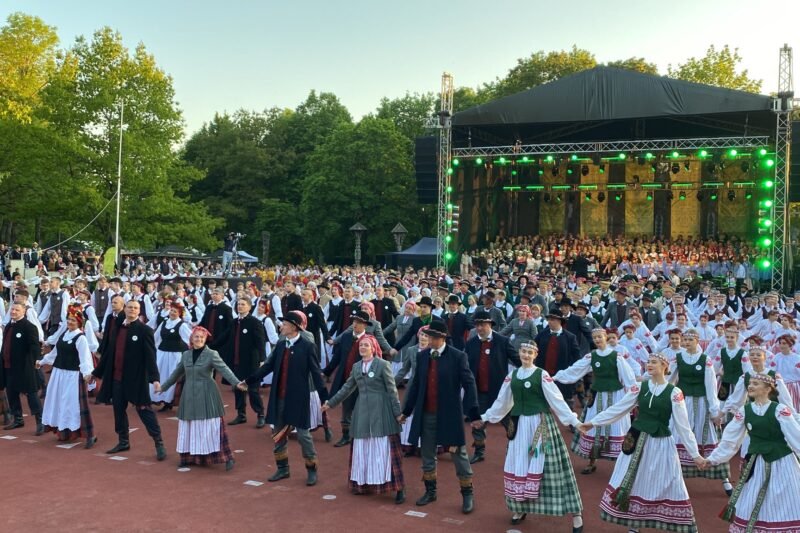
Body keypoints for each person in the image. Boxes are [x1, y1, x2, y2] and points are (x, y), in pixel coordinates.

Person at [578, 352, 704, 533]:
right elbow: (618, 409)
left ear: (665, 367)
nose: (649, 365)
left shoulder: (674, 393)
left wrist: (696, 455)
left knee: (670, 480)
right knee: (634, 478)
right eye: (648, 362)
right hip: (636, 439)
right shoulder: (639, 387)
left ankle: (685, 525)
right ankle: (634, 525)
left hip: (660, 443)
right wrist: (593, 422)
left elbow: (683, 427)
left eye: (654, 362)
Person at [481, 342, 584, 531]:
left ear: (536, 354)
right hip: (519, 426)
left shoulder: (542, 375)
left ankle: (576, 513)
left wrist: (574, 421)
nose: (526, 355)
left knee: (553, 467)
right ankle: (520, 507)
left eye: (530, 352)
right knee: (519, 463)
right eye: (523, 352)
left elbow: (557, 400)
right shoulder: (512, 376)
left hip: (540, 424)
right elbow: (502, 402)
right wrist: (486, 417)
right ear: (519, 353)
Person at [701, 373, 800, 532]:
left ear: (768, 389)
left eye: (756, 384)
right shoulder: (745, 411)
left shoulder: (780, 410)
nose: (751, 386)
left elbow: (796, 437)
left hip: (782, 462)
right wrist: (712, 459)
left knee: (783, 499)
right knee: (752, 497)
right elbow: (730, 440)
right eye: (750, 383)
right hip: (757, 462)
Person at [399, 320, 480, 514]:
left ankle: (467, 494)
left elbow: (469, 384)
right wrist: (407, 411)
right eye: (427, 335)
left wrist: (474, 412)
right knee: (427, 453)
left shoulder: (458, 357)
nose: (428, 339)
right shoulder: (423, 356)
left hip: (449, 415)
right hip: (426, 413)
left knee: (458, 453)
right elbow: (416, 386)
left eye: (432, 336)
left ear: (442, 338)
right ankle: (431, 491)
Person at [245, 310, 328, 486]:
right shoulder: (281, 346)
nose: (281, 326)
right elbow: (268, 367)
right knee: (278, 433)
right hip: (279, 396)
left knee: (304, 435)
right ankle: (283, 468)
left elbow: (316, 372)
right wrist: (250, 380)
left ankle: (311, 468)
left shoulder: (307, 346)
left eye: (285, 324)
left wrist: (324, 397)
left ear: (294, 327)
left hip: (298, 397)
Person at [322, 335, 405, 504]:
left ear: (374, 348)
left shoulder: (383, 365)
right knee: (363, 447)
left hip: (382, 410)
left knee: (383, 448)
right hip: (362, 412)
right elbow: (347, 388)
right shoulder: (357, 367)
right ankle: (364, 483)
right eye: (361, 345)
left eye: (366, 345)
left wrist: (397, 413)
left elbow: (392, 391)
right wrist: (330, 403)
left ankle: (398, 488)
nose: (363, 347)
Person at [155, 326, 245, 471]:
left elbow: (224, 369)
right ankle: (188, 457)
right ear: (191, 339)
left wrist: (236, 382)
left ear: (205, 339)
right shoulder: (186, 355)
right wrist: (162, 388)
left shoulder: (212, 354)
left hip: (207, 393)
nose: (199, 339)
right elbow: (176, 374)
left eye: (202, 337)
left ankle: (227, 457)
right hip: (189, 393)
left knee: (212, 425)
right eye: (196, 337)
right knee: (189, 426)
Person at [91, 300, 166, 461]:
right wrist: (96, 372)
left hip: (136, 379)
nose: (132, 310)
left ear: (139, 311)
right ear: (124, 309)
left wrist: (155, 379)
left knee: (144, 410)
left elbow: (150, 357)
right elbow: (109, 354)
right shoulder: (117, 328)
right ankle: (123, 441)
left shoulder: (145, 330)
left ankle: (158, 442)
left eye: (136, 308)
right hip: (117, 379)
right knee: (118, 410)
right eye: (130, 307)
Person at [554, 328, 636, 474]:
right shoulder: (591, 356)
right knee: (593, 425)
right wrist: (556, 377)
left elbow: (628, 378)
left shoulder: (617, 356)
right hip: (597, 395)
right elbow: (575, 370)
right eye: (595, 337)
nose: (597, 340)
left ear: (605, 337)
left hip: (615, 396)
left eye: (600, 337)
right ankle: (592, 462)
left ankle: (622, 466)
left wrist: (633, 397)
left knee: (618, 426)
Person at [669, 329, 731, 494]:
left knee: (708, 435)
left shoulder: (705, 360)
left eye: (690, 340)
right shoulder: (678, 358)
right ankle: (675, 478)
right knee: (679, 434)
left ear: (697, 341)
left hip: (702, 403)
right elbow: (669, 380)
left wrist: (714, 410)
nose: (686, 343)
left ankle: (724, 479)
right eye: (685, 340)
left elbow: (711, 387)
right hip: (682, 402)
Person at [465, 310, 520, 463]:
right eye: (477, 325)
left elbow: (517, 359)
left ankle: (517, 449)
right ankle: (479, 450)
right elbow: (465, 365)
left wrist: (529, 373)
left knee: (508, 422)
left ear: (490, 324)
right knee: (477, 421)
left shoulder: (502, 341)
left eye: (482, 325)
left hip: (499, 391)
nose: (479, 328)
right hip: (478, 389)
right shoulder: (471, 343)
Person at [36, 306, 96, 447]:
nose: (70, 322)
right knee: (59, 402)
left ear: (79, 322)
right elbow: (54, 353)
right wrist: (42, 361)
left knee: (73, 404)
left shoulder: (81, 338)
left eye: (73, 320)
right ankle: (64, 432)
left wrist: (88, 374)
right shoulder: (64, 335)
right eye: (69, 319)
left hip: (73, 375)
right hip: (59, 373)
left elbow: (85, 358)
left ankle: (89, 435)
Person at [214, 297, 266, 427]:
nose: (240, 306)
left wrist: (262, 359)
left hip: (251, 363)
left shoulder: (255, 323)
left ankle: (260, 414)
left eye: (243, 304)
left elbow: (260, 342)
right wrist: (208, 347)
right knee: (238, 388)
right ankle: (241, 414)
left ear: (249, 307)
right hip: (236, 362)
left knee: (253, 390)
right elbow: (224, 337)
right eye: (238, 304)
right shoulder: (234, 322)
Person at [324, 310, 371, 447]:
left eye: (359, 322)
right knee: (346, 408)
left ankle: (362, 435)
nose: (355, 325)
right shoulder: (345, 337)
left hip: (362, 380)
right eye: (354, 321)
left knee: (362, 408)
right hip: (346, 377)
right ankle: (346, 435)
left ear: (365, 325)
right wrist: (327, 371)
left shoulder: (369, 340)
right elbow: (337, 357)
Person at [1, 303, 44, 434]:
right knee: (11, 393)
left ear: (24, 311)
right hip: (8, 367)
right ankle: (18, 419)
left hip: (24, 368)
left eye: (16, 310)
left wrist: (35, 361)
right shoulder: (9, 326)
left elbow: (34, 347)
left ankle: (40, 421)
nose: (13, 312)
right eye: (12, 309)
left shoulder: (29, 327)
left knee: (31, 394)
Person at [150, 300, 191, 411]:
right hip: (162, 353)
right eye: (172, 310)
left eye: (175, 311)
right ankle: (156, 398)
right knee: (159, 376)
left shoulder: (181, 325)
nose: (172, 313)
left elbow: (190, 339)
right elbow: (156, 337)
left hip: (175, 355)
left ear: (180, 314)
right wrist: (154, 349)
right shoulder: (164, 322)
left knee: (171, 377)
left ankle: (168, 402)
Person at [534, 310, 581, 404]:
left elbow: (576, 356)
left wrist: (572, 372)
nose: (549, 322)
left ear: (559, 321)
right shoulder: (542, 334)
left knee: (563, 401)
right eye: (549, 319)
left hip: (562, 375)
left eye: (552, 320)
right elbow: (535, 350)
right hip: (544, 373)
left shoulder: (570, 337)